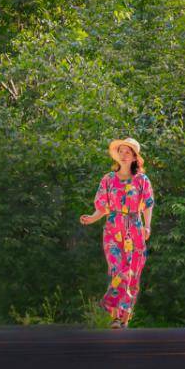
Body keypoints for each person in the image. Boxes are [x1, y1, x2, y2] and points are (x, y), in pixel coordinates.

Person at [78, 137, 155, 328]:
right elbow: (102, 207)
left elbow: (147, 205)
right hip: (113, 228)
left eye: (127, 151)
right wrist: (92, 218)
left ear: (135, 157)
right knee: (117, 270)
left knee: (132, 275)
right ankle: (115, 316)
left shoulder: (142, 180)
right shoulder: (108, 179)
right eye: (120, 151)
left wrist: (147, 226)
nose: (123, 154)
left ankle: (124, 319)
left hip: (135, 228)